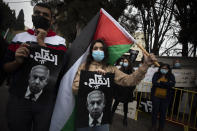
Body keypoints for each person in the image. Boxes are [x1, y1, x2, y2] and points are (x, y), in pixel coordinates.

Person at [3, 2, 67, 131]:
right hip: (18, 99)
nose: (40, 16)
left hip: (45, 102)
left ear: (52, 19)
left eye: (45, 15)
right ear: (32, 15)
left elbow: (57, 70)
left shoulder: (60, 41)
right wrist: (17, 61)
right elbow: (5, 67)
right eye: (37, 13)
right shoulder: (19, 37)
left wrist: (41, 43)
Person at [72, 39, 157, 131]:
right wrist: (93, 77)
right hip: (84, 116)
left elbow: (129, 80)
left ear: (105, 52)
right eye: (95, 48)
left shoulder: (111, 69)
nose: (98, 51)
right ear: (91, 51)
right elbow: (75, 88)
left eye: (101, 49)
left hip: (104, 118)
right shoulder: (84, 66)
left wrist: (145, 65)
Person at [111, 57, 135, 126]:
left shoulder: (132, 71)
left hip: (127, 92)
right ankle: (111, 116)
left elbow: (134, 82)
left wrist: (131, 89)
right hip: (119, 90)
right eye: (124, 61)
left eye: (126, 61)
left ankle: (125, 118)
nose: (124, 63)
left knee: (125, 105)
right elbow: (116, 80)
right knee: (115, 103)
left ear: (129, 63)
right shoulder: (120, 70)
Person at [151, 63, 175, 131]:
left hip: (166, 98)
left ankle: (161, 127)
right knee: (154, 112)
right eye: (163, 68)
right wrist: (166, 84)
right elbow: (154, 82)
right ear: (160, 68)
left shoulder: (171, 75)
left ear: (168, 69)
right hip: (156, 96)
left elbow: (172, 84)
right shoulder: (156, 74)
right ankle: (153, 126)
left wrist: (161, 83)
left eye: (166, 68)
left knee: (163, 113)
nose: (164, 70)